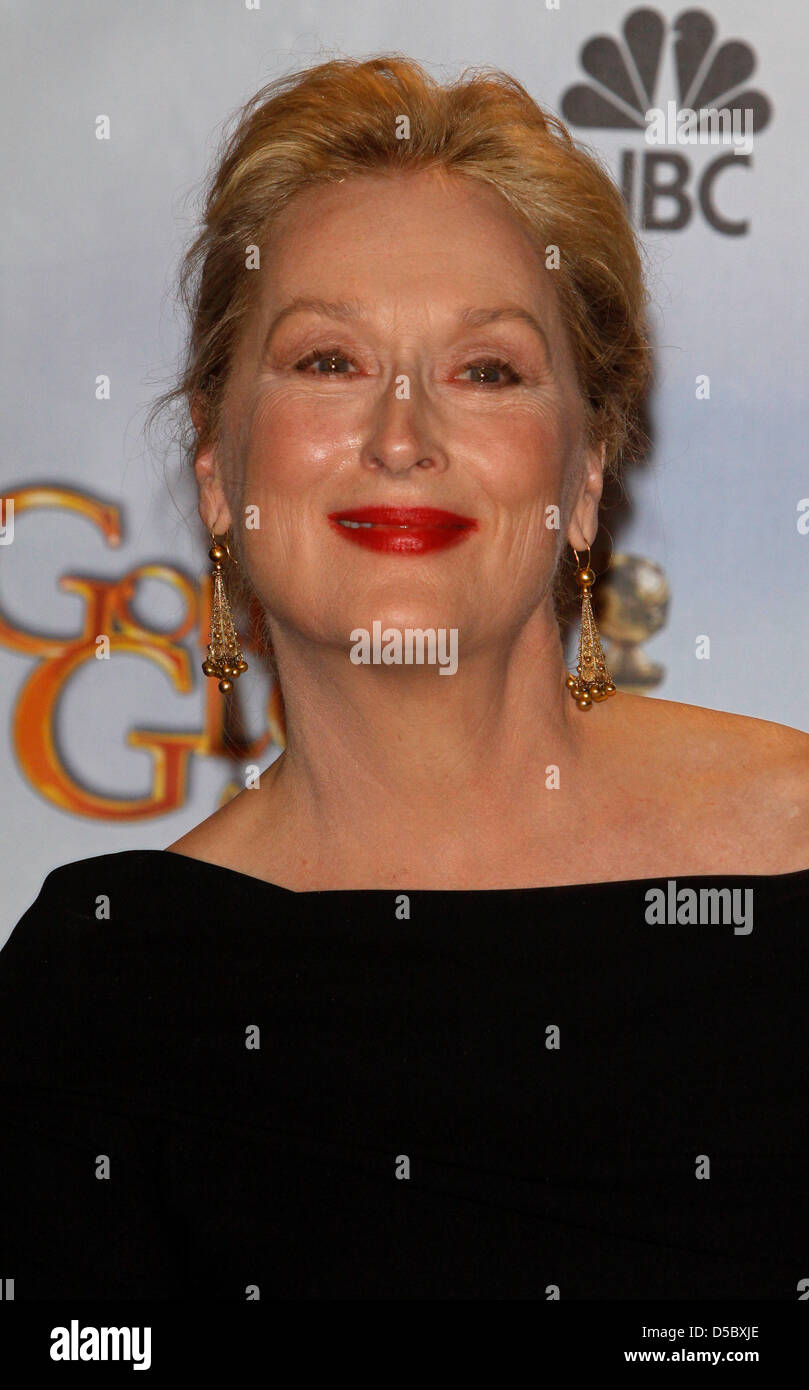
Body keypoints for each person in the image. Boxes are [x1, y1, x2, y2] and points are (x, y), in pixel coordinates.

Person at [1, 54, 807, 1301]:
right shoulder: (99, 985)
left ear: (584, 480)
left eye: (485, 370)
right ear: (218, 471)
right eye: (328, 360)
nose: (400, 434)